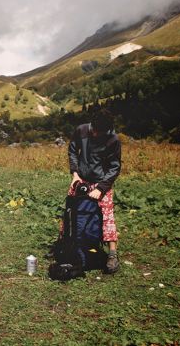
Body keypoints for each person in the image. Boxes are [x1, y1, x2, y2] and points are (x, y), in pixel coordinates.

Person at [68, 109, 121, 273]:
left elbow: (115, 167)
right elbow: (72, 150)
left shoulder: (113, 139)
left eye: (101, 132)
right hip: (81, 178)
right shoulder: (82, 130)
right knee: (71, 209)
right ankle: (67, 243)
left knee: (107, 215)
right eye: (95, 130)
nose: (96, 134)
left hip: (101, 181)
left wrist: (101, 188)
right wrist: (75, 174)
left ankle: (112, 254)